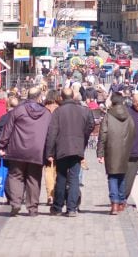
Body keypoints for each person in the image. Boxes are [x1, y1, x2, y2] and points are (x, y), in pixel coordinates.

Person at [0, 87, 52, 217]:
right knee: (34, 178)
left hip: (17, 149)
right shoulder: (46, 113)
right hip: (37, 151)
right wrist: (49, 152)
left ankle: (15, 204)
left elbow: (7, 130)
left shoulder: (18, 110)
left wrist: (1, 145)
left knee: (16, 176)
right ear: (39, 97)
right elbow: (50, 134)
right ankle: (32, 208)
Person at [45, 88, 95, 217]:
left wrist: (49, 152)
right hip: (77, 148)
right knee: (74, 178)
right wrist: (83, 137)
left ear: (61, 97)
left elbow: (52, 133)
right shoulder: (84, 110)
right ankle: (71, 208)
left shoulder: (58, 112)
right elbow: (91, 125)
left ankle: (57, 207)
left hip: (61, 148)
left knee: (61, 177)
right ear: (73, 96)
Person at [96, 93, 136, 215]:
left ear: (112, 102)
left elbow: (103, 134)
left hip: (111, 150)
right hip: (125, 150)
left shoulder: (108, 116)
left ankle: (114, 203)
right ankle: (121, 202)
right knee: (122, 176)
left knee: (113, 176)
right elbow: (133, 131)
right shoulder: (129, 115)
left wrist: (100, 152)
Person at [42, 90, 61, 205]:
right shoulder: (60, 109)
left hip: (46, 141)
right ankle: (57, 192)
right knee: (58, 170)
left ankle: (50, 195)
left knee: (48, 169)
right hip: (59, 141)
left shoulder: (44, 109)